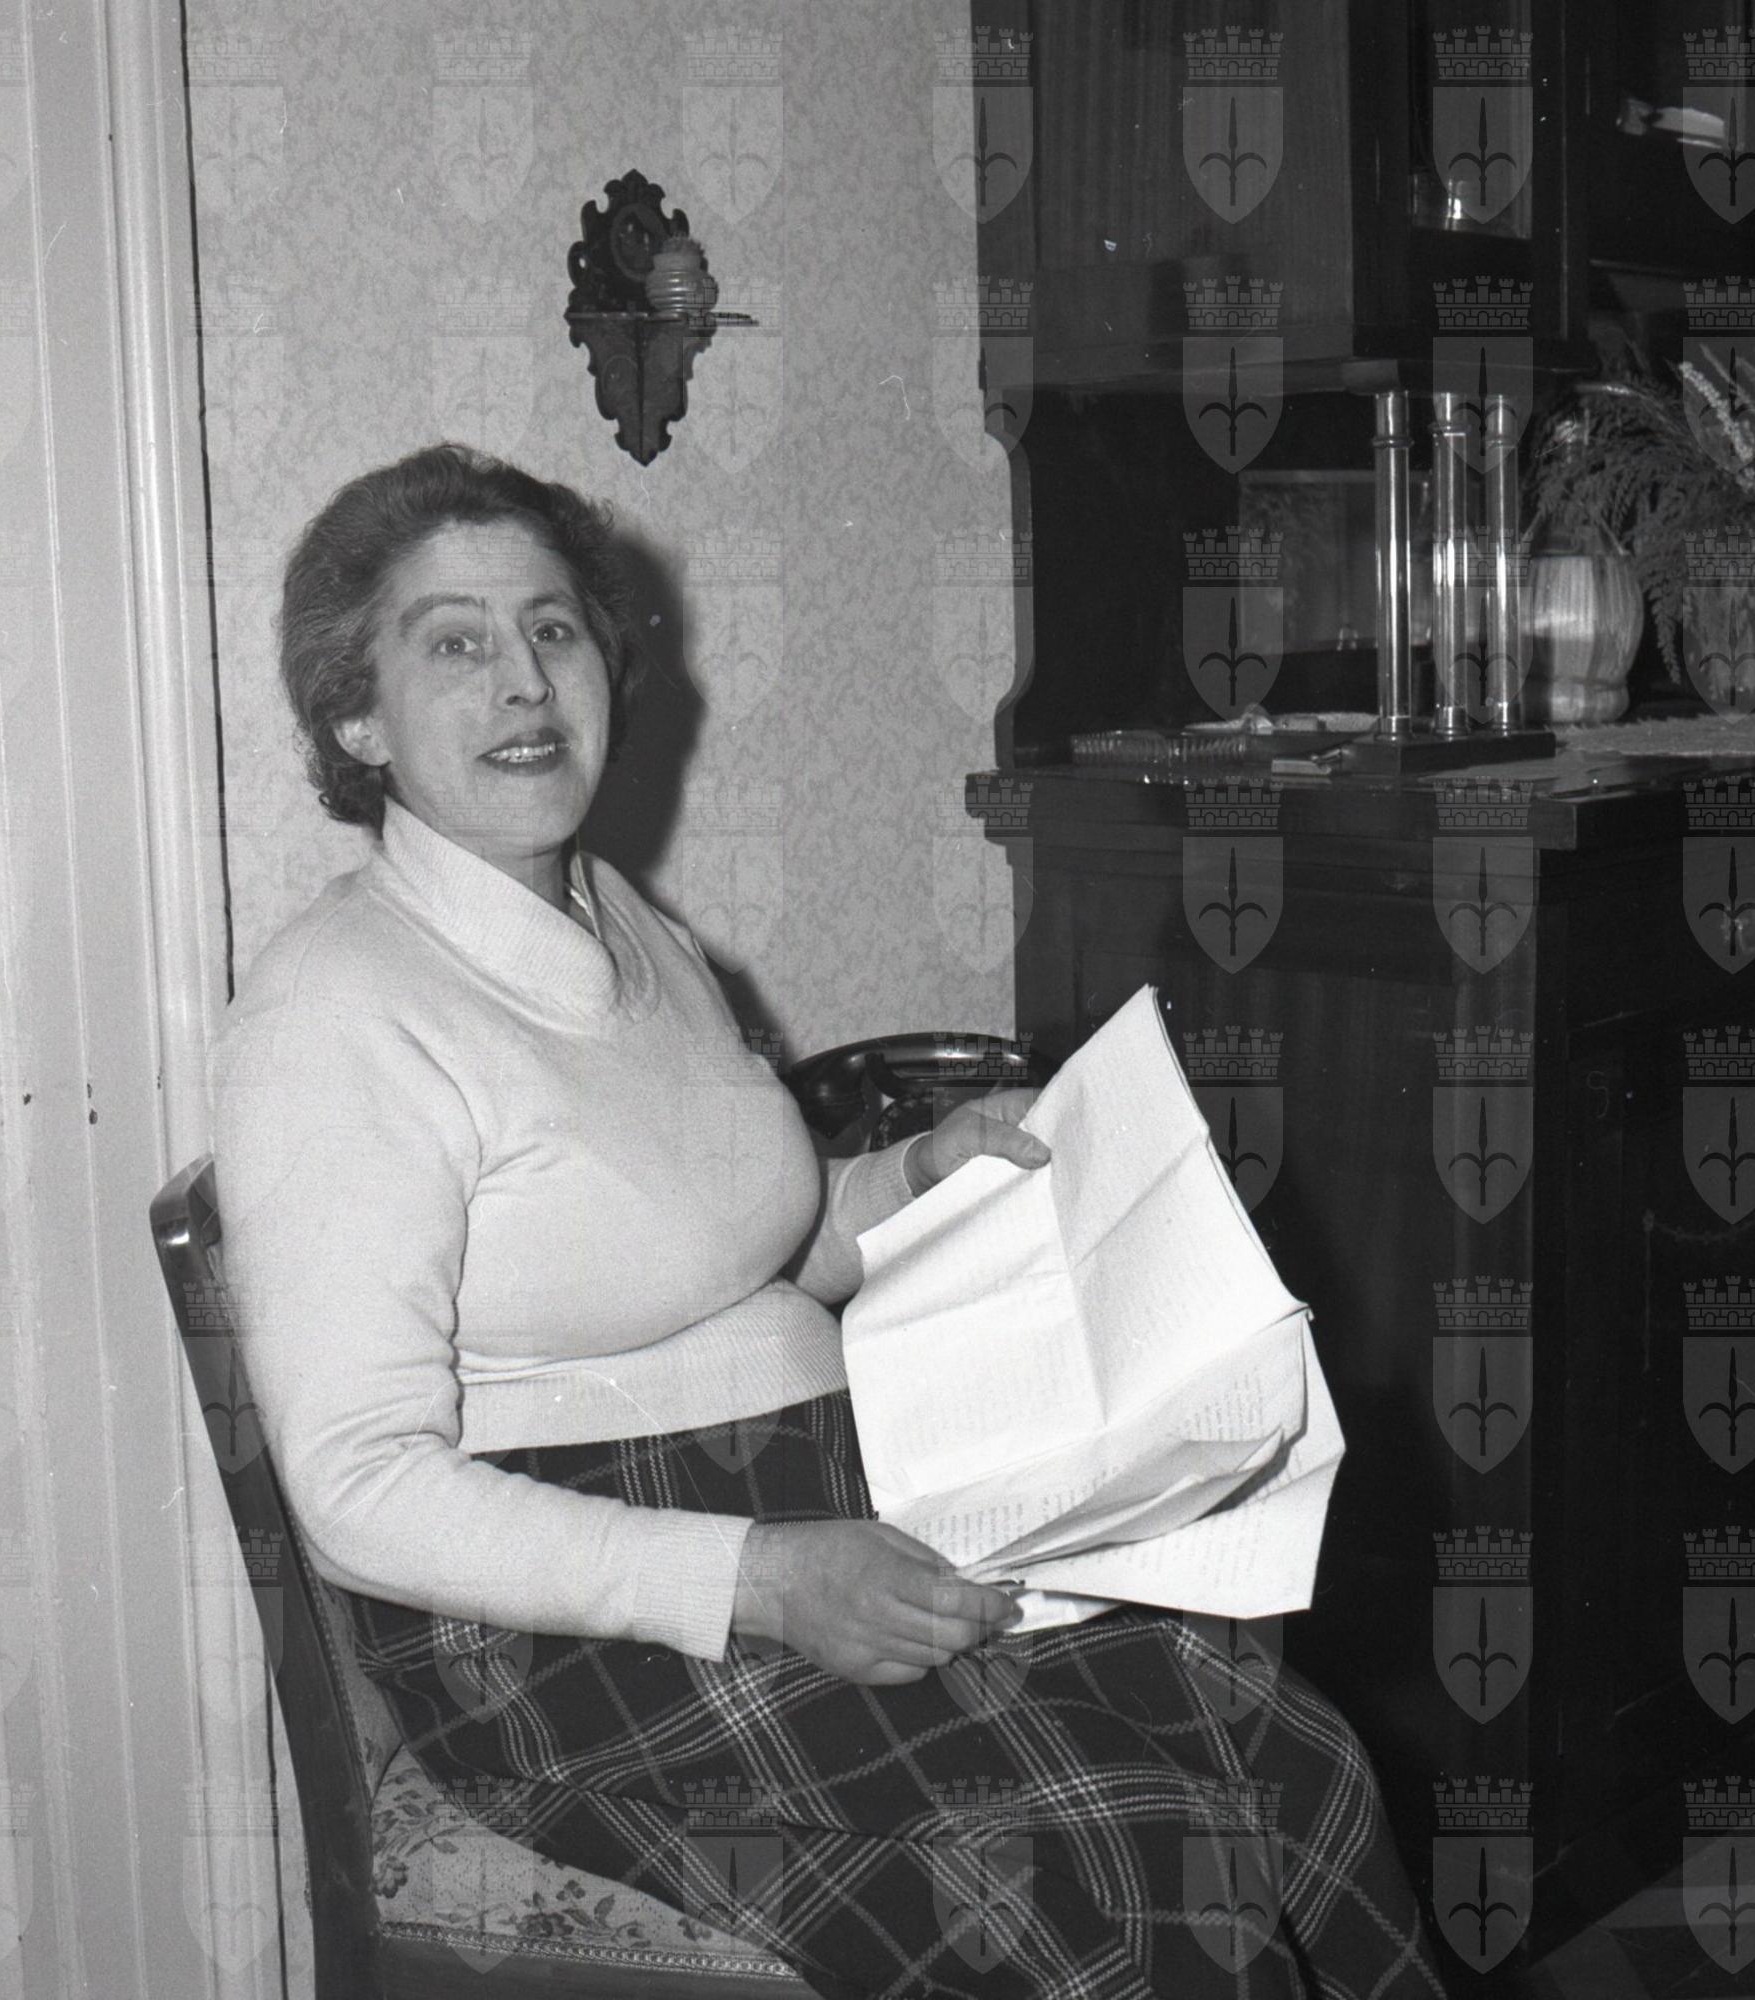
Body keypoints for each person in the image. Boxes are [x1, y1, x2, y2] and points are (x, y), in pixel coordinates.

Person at [212, 442, 1446, 1999]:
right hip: (573, 1627)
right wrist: (765, 1578)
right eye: (453, 642)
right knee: (1128, 1862)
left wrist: (920, 1173)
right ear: (356, 718)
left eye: (552, 627)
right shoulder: (334, 1013)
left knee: (1287, 1750)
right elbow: (356, 1491)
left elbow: (742, 1252)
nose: (524, 680)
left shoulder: (616, 917)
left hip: (815, 1496)